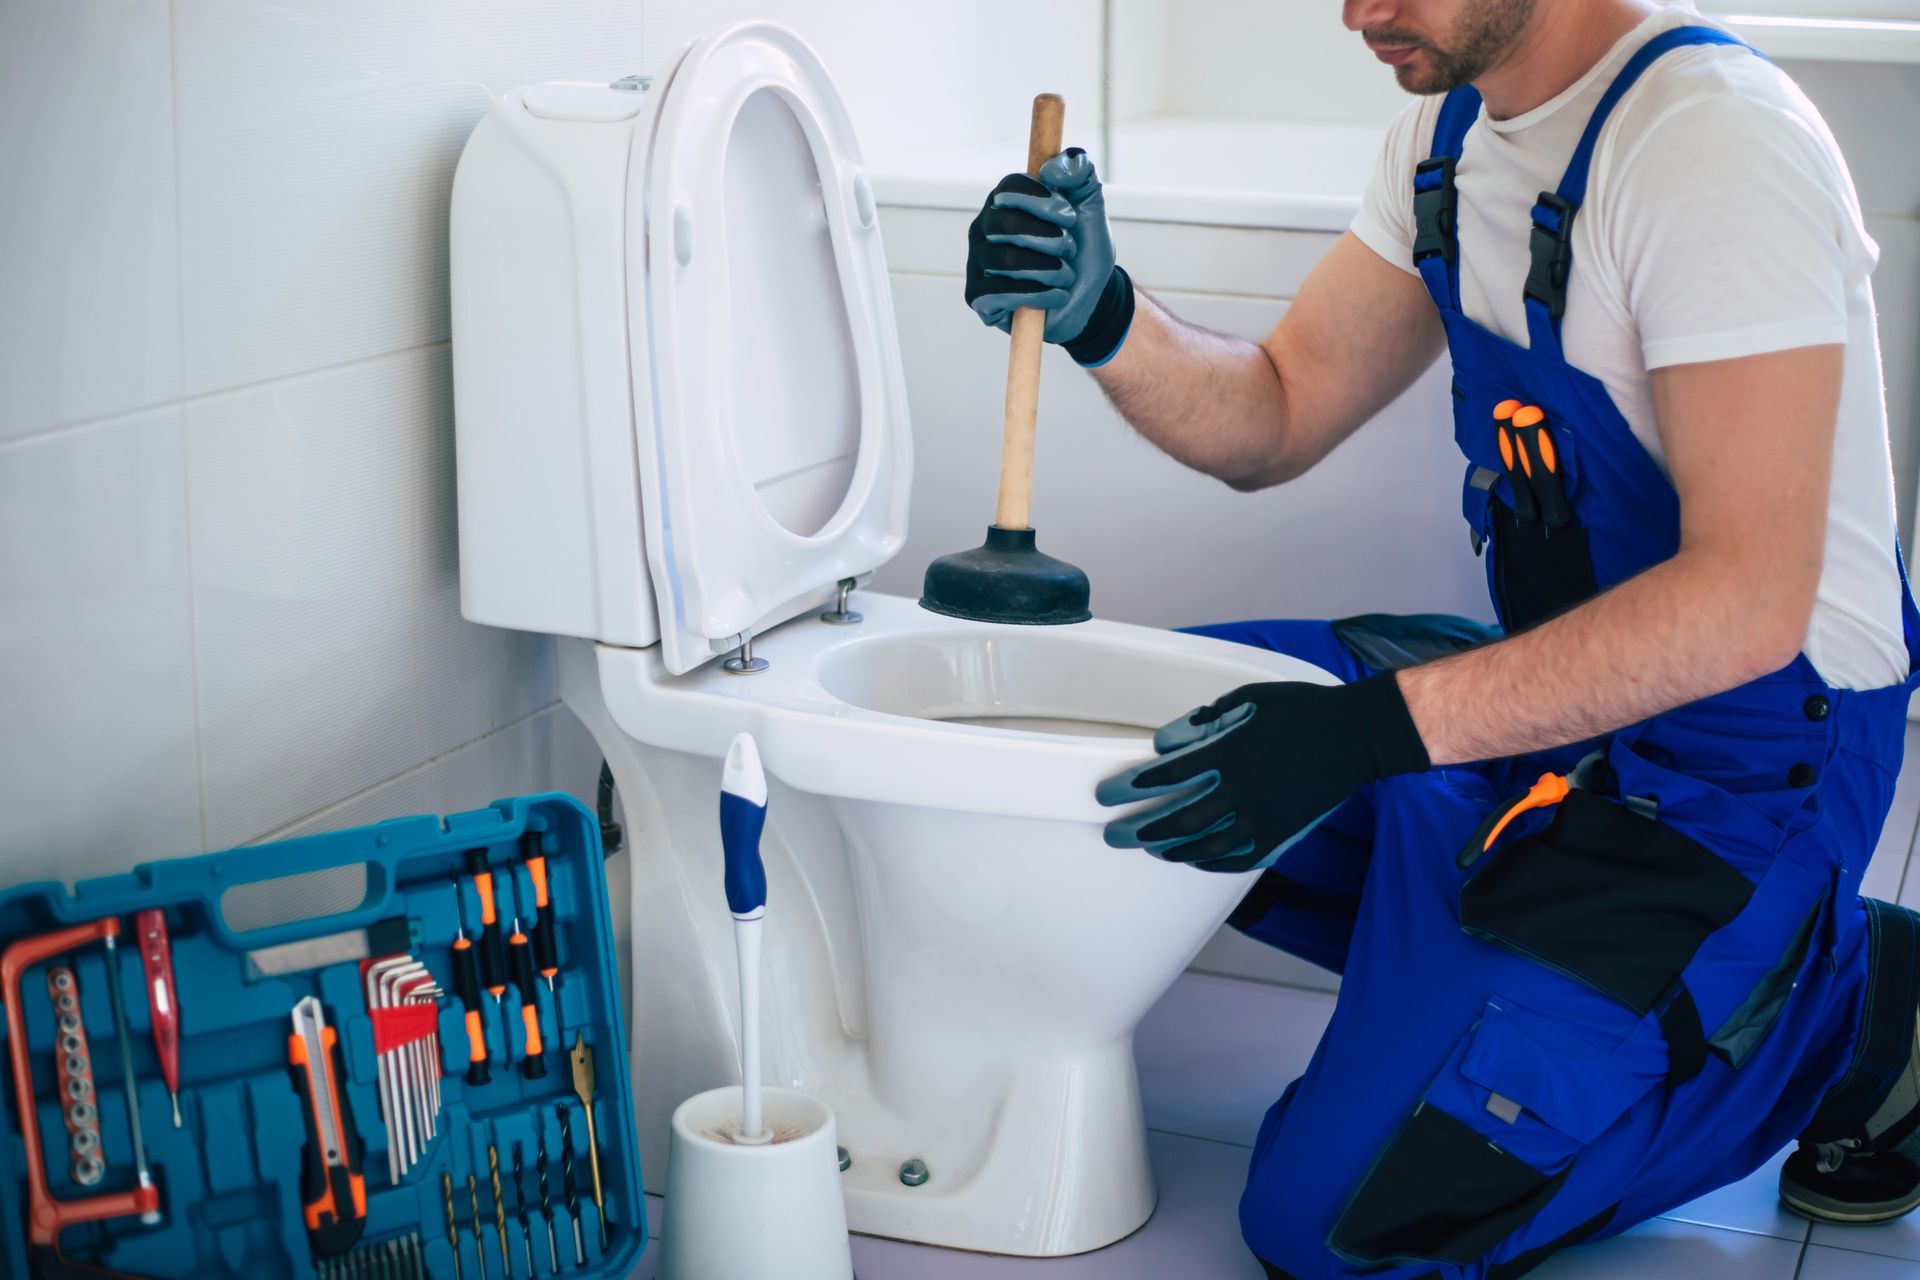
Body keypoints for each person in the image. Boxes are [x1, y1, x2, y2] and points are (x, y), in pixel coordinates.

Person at [963, 0, 1920, 1276]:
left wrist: (1367, 736)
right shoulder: (1452, 127)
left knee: (1331, 1229)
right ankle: (1499, 949)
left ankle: (1847, 1012)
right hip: (1570, 707)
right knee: (1138, 756)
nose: (1358, 11)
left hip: (1746, 770)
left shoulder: (1711, 147)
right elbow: (1280, 408)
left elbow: (1748, 603)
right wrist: (1103, 312)